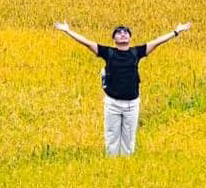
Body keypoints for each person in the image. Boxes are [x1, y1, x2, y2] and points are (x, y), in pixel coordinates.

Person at [54, 20, 193, 156]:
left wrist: (176, 31)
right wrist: (68, 31)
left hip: (132, 104)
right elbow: (86, 42)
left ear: (130, 37)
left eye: (126, 32)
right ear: (113, 39)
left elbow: (157, 42)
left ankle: (125, 167)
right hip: (112, 103)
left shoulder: (136, 52)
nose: (123, 34)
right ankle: (112, 168)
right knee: (111, 139)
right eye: (119, 32)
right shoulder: (108, 52)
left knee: (129, 141)